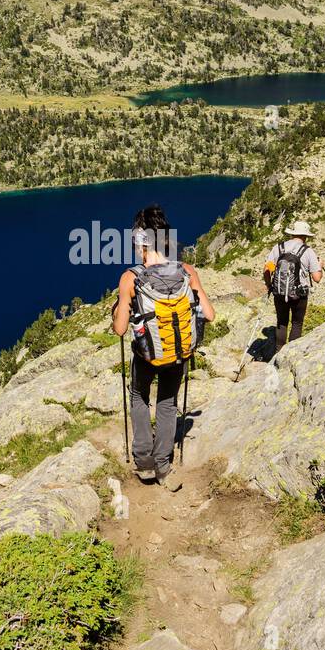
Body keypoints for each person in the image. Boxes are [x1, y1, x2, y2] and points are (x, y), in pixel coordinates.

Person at [112, 205, 215, 491]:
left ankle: (143, 462)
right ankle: (163, 465)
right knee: (167, 404)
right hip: (178, 353)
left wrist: (119, 311)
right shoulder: (187, 271)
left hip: (146, 354)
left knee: (138, 396)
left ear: (142, 242)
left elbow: (121, 329)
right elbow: (209, 313)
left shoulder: (131, 278)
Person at [263, 220, 323, 352]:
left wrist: (269, 286)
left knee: (282, 322)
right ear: (305, 236)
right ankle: (291, 353)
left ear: (293, 234)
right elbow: (317, 278)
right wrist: (320, 266)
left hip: (279, 292)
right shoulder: (308, 251)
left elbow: (267, 269)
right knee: (297, 323)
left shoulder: (278, 248)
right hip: (299, 294)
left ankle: (278, 352)